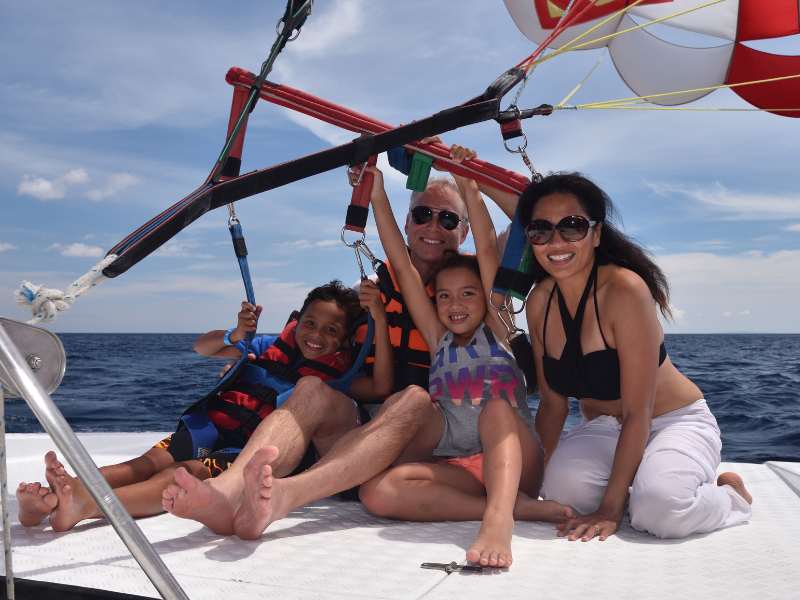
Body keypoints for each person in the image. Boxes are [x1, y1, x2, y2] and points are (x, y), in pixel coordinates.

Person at [160, 153, 481, 539]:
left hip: (427, 442)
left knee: (412, 397)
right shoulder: (365, 297)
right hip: (356, 440)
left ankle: (287, 495)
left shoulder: (474, 292)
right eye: (422, 215)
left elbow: (503, 246)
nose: (433, 226)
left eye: (448, 219)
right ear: (409, 222)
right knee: (312, 388)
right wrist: (246, 367)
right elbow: (315, 357)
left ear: (464, 232)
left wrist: (465, 176)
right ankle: (225, 495)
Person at [15, 279, 382, 531]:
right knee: (141, 464)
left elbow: (380, 385)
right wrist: (236, 334)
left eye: (331, 331)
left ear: (345, 340)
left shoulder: (338, 376)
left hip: (243, 451)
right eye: (310, 323)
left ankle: (87, 505)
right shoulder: (265, 344)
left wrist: (377, 315)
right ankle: (58, 498)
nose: (316, 336)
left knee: (184, 474)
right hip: (211, 426)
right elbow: (202, 347)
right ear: (297, 320)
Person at [356, 149, 570, 569]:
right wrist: (376, 191)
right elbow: (399, 258)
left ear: (486, 298)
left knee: (495, 406)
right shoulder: (439, 339)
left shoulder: (500, 327)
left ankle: (498, 518)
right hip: (462, 466)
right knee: (377, 493)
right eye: (445, 296)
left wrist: (467, 180)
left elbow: (489, 247)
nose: (456, 305)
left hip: (516, 460)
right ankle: (513, 507)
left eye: (468, 294)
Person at [515, 172, 752, 540]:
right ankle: (634, 488)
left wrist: (610, 510)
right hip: (605, 428)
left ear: (595, 234)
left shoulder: (624, 289)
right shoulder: (539, 302)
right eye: (541, 230)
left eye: (572, 226)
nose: (556, 241)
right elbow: (552, 405)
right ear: (531, 239)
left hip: (672, 420)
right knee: (562, 493)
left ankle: (732, 496)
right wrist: (528, 488)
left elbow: (638, 412)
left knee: (661, 510)